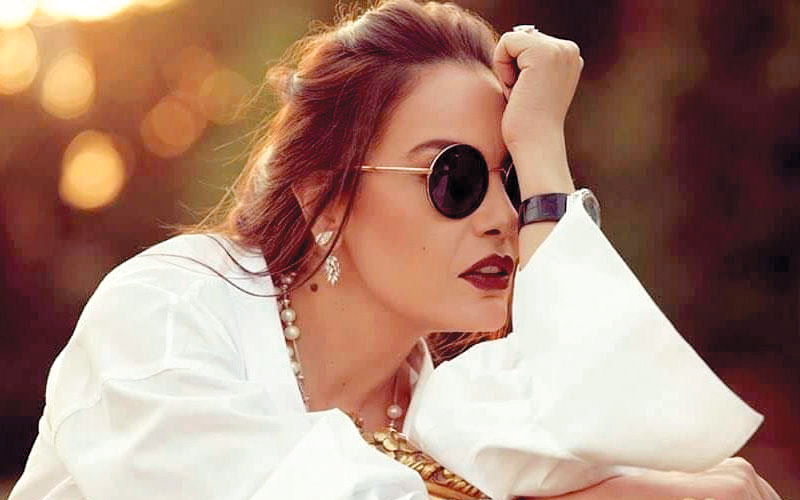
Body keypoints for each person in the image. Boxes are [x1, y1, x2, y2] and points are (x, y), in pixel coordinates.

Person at [8, 1, 782, 499]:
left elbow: (624, 421)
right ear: (323, 198)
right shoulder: (169, 311)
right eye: (455, 177)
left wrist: (545, 152)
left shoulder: (455, 410)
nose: (502, 219)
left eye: (515, 182)